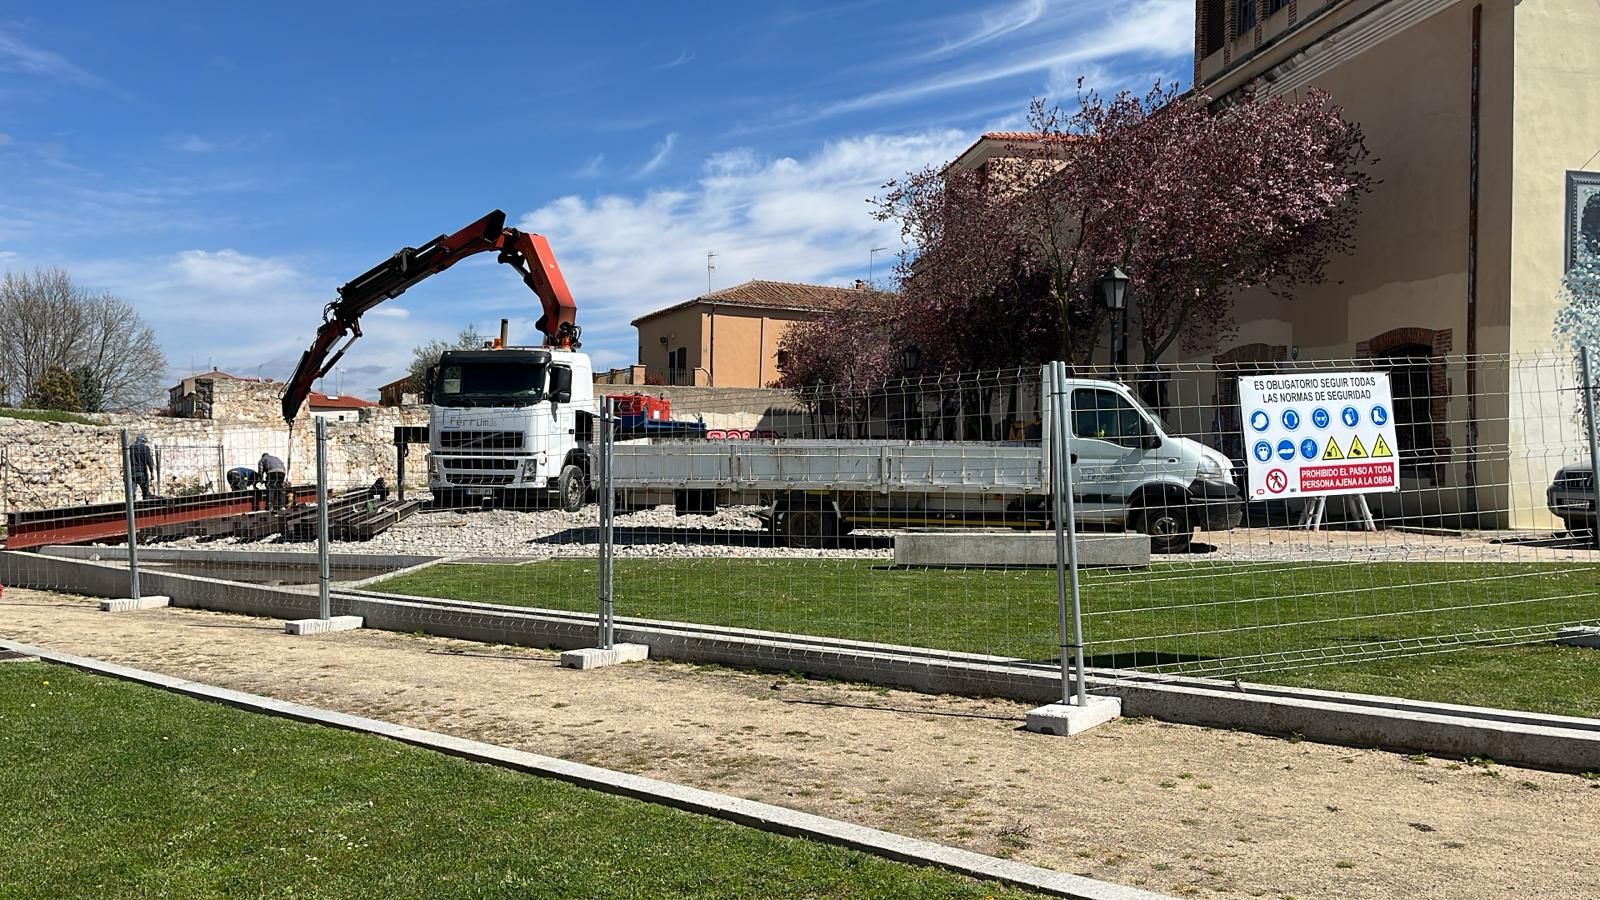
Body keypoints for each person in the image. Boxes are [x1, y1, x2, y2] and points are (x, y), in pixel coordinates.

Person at [128, 434, 155, 500]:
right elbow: (149, 461)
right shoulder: (145, 448)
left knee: (131, 494)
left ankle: (132, 508)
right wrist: (152, 472)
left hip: (131, 472)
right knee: (145, 492)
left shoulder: (130, 448)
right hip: (142, 472)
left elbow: (127, 460)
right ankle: (145, 506)